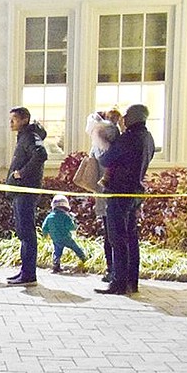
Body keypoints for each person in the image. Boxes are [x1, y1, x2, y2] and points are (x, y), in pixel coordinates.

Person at [96, 103, 154, 295]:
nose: (123, 118)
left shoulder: (128, 138)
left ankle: (118, 283)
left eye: (127, 115)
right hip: (135, 192)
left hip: (119, 193)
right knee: (131, 238)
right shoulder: (148, 138)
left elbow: (105, 160)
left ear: (135, 117)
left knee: (117, 238)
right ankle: (131, 282)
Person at [5, 106, 48, 286]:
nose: (11, 123)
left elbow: (40, 154)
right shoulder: (24, 136)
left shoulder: (30, 136)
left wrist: (22, 173)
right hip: (20, 191)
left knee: (27, 233)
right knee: (23, 233)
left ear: (24, 120)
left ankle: (29, 274)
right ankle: (25, 271)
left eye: (14, 119)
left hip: (25, 191)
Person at [85, 110, 121, 281]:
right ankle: (112, 270)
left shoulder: (106, 148)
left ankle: (113, 271)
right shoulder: (110, 144)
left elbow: (104, 162)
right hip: (105, 194)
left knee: (111, 234)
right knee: (110, 234)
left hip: (108, 194)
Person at [42, 194, 87, 274]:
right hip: (66, 238)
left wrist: (45, 234)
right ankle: (84, 259)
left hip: (56, 239)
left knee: (57, 251)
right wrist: (75, 224)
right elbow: (71, 227)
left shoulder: (49, 217)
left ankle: (56, 265)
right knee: (76, 248)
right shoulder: (66, 217)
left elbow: (44, 227)